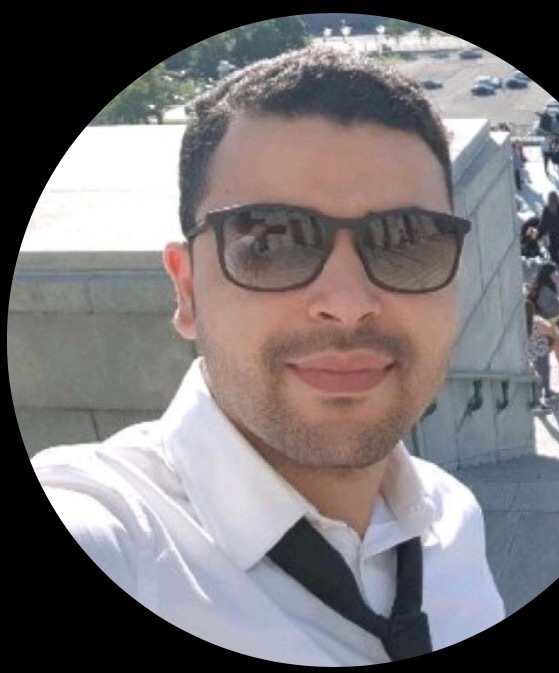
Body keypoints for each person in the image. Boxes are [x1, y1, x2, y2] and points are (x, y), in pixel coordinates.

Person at [30, 47, 505, 665]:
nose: (347, 304)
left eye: (406, 241)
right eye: (269, 243)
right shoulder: (118, 539)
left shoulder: (452, 518)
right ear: (187, 290)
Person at [526, 261, 559, 379]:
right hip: (551, 320)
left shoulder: (548, 285)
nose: (558, 274)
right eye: (555, 272)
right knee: (552, 344)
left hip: (557, 318)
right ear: (548, 274)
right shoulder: (544, 289)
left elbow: (553, 302)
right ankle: (534, 367)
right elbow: (548, 308)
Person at [525, 298, 559, 412]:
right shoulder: (536, 321)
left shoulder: (521, 322)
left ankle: (547, 392)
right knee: (542, 374)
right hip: (541, 351)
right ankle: (538, 401)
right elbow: (552, 330)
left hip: (530, 352)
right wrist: (557, 329)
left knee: (540, 374)